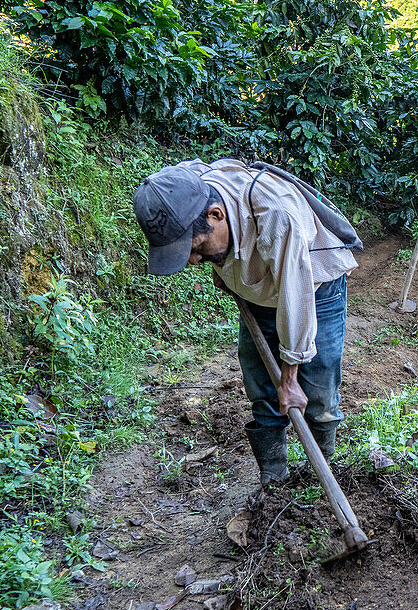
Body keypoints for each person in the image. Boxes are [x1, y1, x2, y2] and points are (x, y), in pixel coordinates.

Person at [132, 160, 361, 484]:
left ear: (216, 214)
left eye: (196, 248)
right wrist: (224, 272)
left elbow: (295, 298)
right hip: (257, 294)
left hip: (313, 289)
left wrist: (291, 378)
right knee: (262, 389)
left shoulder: (276, 214)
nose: (193, 261)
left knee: (317, 394)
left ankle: (318, 479)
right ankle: (274, 479)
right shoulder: (188, 188)